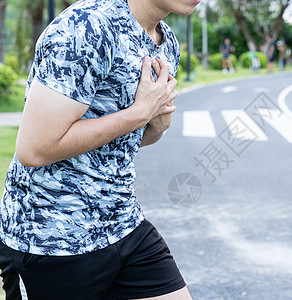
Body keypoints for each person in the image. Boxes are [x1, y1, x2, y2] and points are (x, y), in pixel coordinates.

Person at [0, 0, 199, 299]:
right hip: (51, 237)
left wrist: (157, 123)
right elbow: (34, 148)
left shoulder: (165, 42)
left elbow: (126, 141)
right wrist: (139, 113)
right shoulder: (86, 26)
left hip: (122, 224)